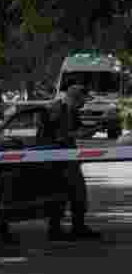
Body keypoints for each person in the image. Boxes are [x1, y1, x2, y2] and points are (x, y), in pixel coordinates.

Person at [40, 84, 100, 240]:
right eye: (83, 100)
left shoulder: (70, 110)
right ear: (76, 98)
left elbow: (78, 132)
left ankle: (75, 226)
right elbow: (61, 136)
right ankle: (57, 229)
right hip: (58, 160)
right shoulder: (58, 110)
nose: (84, 104)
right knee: (62, 194)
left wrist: (93, 129)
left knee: (76, 194)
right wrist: (82, 132)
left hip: (66, 159)